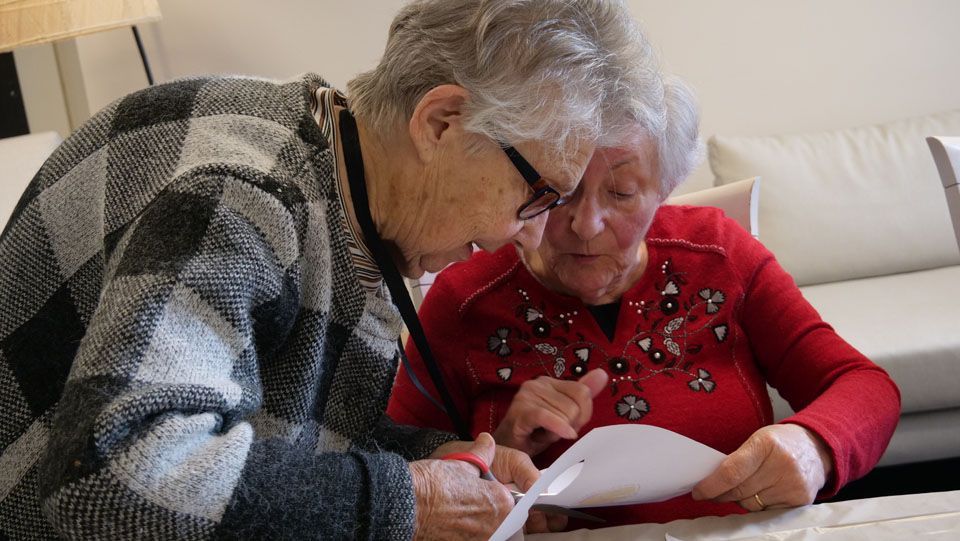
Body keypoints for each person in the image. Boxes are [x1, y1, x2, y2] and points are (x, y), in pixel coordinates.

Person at [0, 1, 664, 539]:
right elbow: (113, 478)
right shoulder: (243, 197)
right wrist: (413, 500)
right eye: (537, 194)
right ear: (443, 122)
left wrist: (437, 463)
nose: (530, 237)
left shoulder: (350, 178)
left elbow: (277, 428)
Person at [387, 75, 901, 529]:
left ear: (664, 190)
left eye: (621, 193)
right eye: (561, 191)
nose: (586, 225)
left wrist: (813, 446)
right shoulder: (465, 300)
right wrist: (498, 455)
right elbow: (390, 466)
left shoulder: (717, 255)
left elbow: (863, 385)